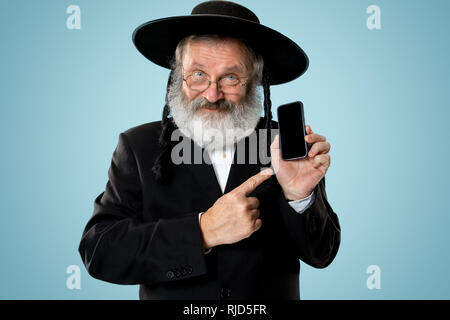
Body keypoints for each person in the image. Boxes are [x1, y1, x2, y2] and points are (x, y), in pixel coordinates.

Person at [78, 0, 341, 300]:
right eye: (199, 74)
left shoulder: (285, 146)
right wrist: (203, 231)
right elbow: (100, 251)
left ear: (254, 81)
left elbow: (323, 254)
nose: (213, 94)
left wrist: (300, 197)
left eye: (231, 77)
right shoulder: (139, 146)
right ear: (178, 77)